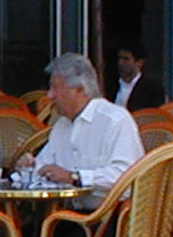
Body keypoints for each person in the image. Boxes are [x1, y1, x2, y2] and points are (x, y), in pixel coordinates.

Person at [18, 52, 145, 207]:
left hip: (110, 217)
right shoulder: (62, 125)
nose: (50, 95)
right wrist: (30, 167)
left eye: (55, 87)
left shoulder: (115, 120)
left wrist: (76, 178)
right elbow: (45, 165)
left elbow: (126, 174)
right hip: (66, 214)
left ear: (79, 89)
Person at [107, 44, 167, 112]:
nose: (120, 63)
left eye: (126, 59)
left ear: (139, 63)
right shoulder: (110, 86)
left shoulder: (152, 89)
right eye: (119, 58)